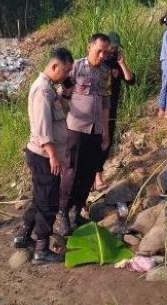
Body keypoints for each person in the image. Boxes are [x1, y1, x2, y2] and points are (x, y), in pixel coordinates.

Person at [13, 48, 74, 264]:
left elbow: (60, 115)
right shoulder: (42, 90)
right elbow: (42, 127)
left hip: (45, 154)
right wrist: (53, 155)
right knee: (48, 202)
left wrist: (66, 92)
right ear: (55, 66)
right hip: (44, 155)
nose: (66, 75)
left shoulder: (50, 89)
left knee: (40, 198)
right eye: (65, 71)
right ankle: (41, 250)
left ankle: (22, 235)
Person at [58, 34, 111, 236]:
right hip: (75, 129)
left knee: (88, 173)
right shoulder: (76, 68)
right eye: (99, 50)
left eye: (105, 52)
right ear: (89, 47)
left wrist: (105, 131)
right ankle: (62, 213)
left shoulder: (105, 72)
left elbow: (105, 103)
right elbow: (64, 95)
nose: (102, 55)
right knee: (71, 173)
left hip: (95, 130)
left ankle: (76, 211)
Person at [94, 32, 135, 191]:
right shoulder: (97, 63)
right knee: (94, 144)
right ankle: (94, 176)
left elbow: (131, 80)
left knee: (106, 143)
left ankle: (98, 176)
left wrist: (123, 64)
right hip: (94, 111)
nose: (112, 51)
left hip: (110, 111)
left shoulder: (117, 63)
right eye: (111, 48)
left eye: (116, 48)